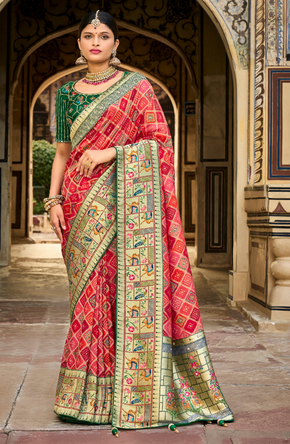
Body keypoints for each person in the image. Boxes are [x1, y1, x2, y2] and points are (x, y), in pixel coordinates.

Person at [45, 10, 234, 436]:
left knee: (117, 290)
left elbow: (158, 144)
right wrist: (53, 199)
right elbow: (61, 153)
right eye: (89, 35)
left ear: (117, 45)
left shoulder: (137, 87)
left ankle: (127, 391)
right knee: (86, 294)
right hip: (77, 202)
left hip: (124, 201)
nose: (96, 41)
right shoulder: (66, 93)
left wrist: (110, 154)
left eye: (104, 35)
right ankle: (83, 396)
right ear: (78, 44)